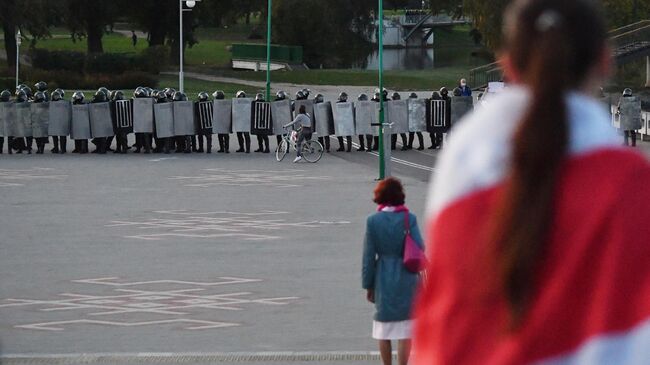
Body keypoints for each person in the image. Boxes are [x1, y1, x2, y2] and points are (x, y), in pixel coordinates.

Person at [413, 1, 650, 364]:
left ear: (508, 64)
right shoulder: (630, 184)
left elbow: (445, 317)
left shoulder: (462, 166)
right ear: (604, 61)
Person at [363, 177, 423, 365]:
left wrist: (368, 285)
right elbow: (420, 246)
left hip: (383, 276)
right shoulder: (408, 219)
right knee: (406, 330)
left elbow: (368, 257)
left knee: (384, 328)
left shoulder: (373, 221)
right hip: (407, 275)